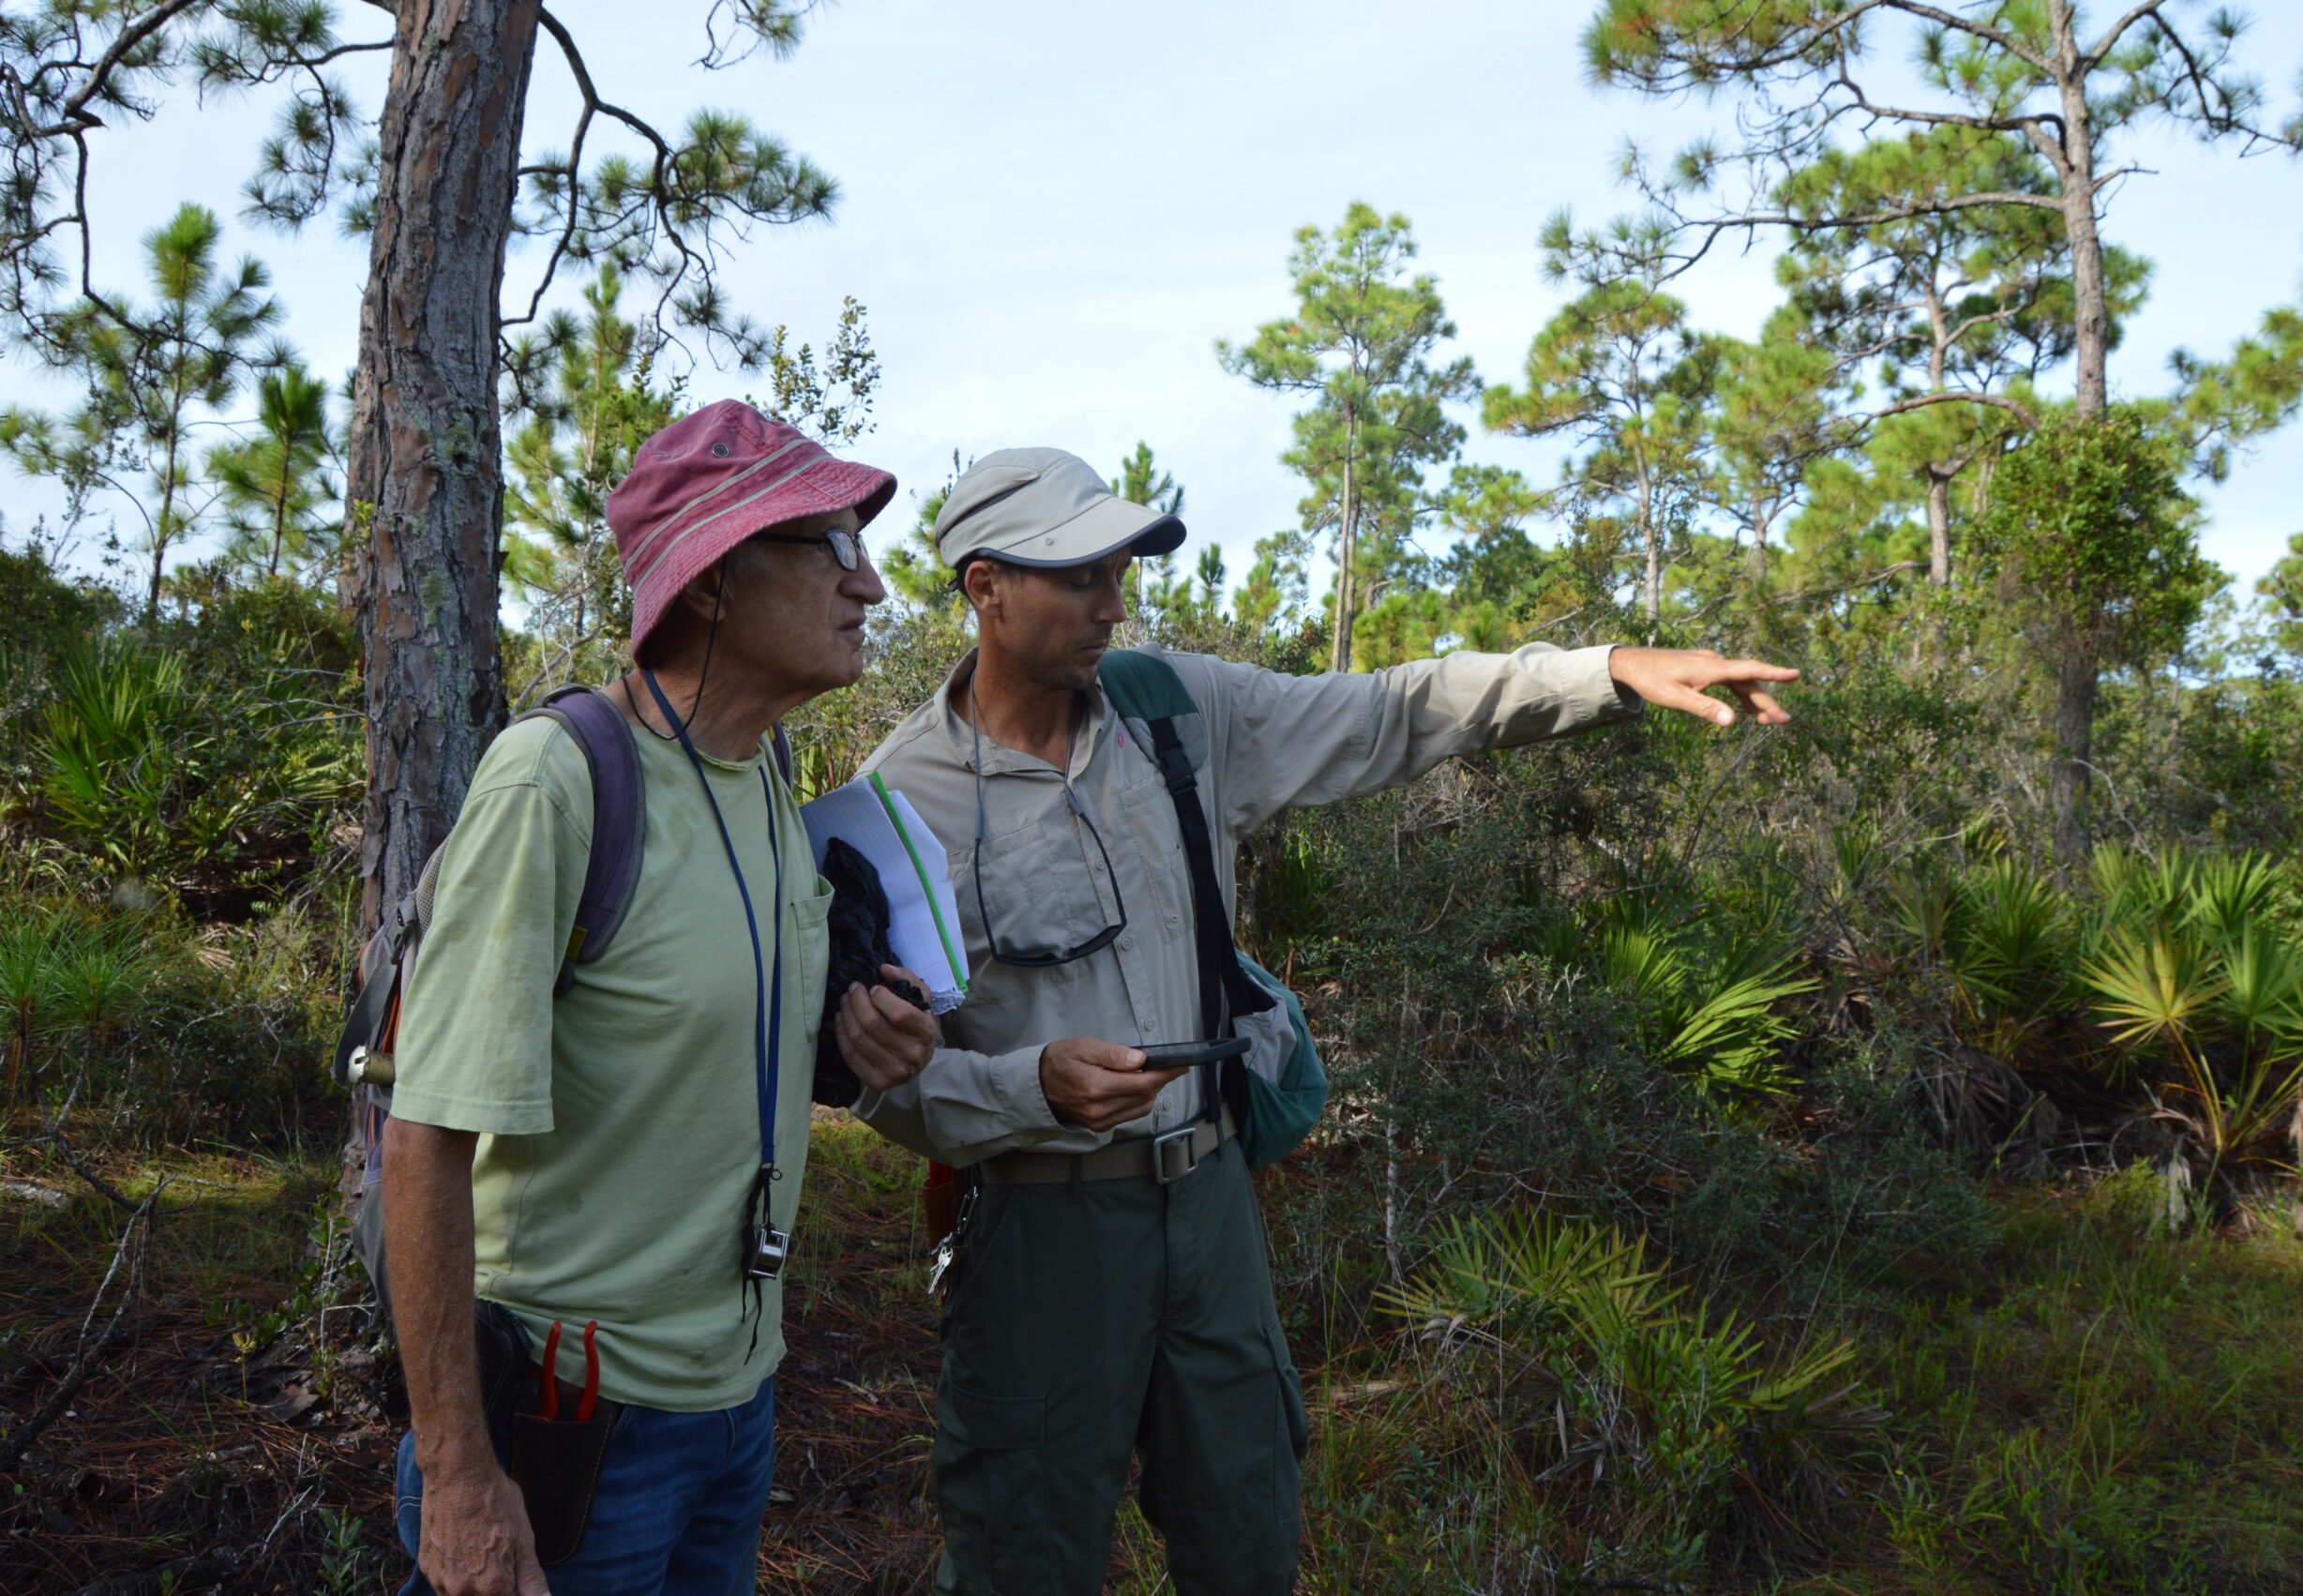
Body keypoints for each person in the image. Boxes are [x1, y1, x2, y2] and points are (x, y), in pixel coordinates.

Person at [852, 446, 1800, 1595]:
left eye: (1119, 571)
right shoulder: (896, 804)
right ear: (984, 586)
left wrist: (1605, 670)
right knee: (1024, 1549)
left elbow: (1393, 710)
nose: (1111, 603)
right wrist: (1030, 1089)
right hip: (1040, 1233)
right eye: (1077, 576)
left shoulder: (1175, 709)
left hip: (1208, 1208)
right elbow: (886, 1084)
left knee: (1248, 1524)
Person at [384, 399, 941, 1596]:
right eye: (835, 546)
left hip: (735, 1407)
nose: (874, 587)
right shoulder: (558, 780)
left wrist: (855, 1041)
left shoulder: (769, 780)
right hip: (570, 1422)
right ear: (710, 583)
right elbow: (423, 1140)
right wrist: (464, 1480)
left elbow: (711, 1049)